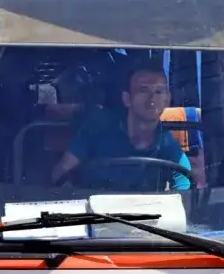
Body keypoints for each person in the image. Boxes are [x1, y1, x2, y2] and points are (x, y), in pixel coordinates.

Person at [49, 63, 204, 191]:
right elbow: (61, 172)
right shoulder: (98, 126)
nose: (152, 98)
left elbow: (184, 193)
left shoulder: (169, 147)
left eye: (158, 91)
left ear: (167, 100)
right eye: (143, 90)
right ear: (127, 98)